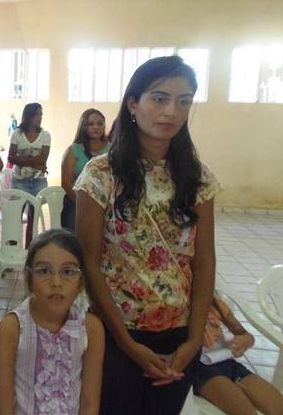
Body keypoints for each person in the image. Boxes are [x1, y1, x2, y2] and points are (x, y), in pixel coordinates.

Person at [75, 56, 221, 415]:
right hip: (114, 329)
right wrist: (126, 343)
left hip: (179, 334)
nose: (172, 111)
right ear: (133, 103)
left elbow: (204, 262)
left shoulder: (198, 178)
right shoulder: (99, 175)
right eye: (159, 98)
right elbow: (88, 262)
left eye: (184, 101)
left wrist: (192, 341)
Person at [0, 229, 105, 415]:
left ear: (80, 282)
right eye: (44, 271)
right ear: (29, 279)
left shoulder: (91, 329)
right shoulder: (12, 329)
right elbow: (2, 409)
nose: (56, 282)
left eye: (68, 271)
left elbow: (89, 403)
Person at [194, 293, 283, 415]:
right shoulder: (176, 309)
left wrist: (243, 341)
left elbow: (247, 336)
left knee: (277, 406)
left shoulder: (215, 303)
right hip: (198, 368)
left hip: (226, 363)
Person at [8, 102, 51, 246]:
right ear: (28, 115)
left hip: (38, 181)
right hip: (19, 181)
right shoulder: (17, 134)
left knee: (34, 217)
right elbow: (11, 158)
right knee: (15, 216)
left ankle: (29, 248)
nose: (40, 117)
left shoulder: (45, 135)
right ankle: (13, 250)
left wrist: (23, 160)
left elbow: (43, 158)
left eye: (41, 114)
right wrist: (36, 163)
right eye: (37, 114)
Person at [61, 109, 110, 232]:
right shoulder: (73, 150)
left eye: (100, 123)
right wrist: (84, 204)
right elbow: (66, 183)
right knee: (77, 243)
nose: (96, 127)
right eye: (91, 124)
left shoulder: (112, 149)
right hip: (76, 203)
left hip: (107, 205)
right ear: (83, 126)